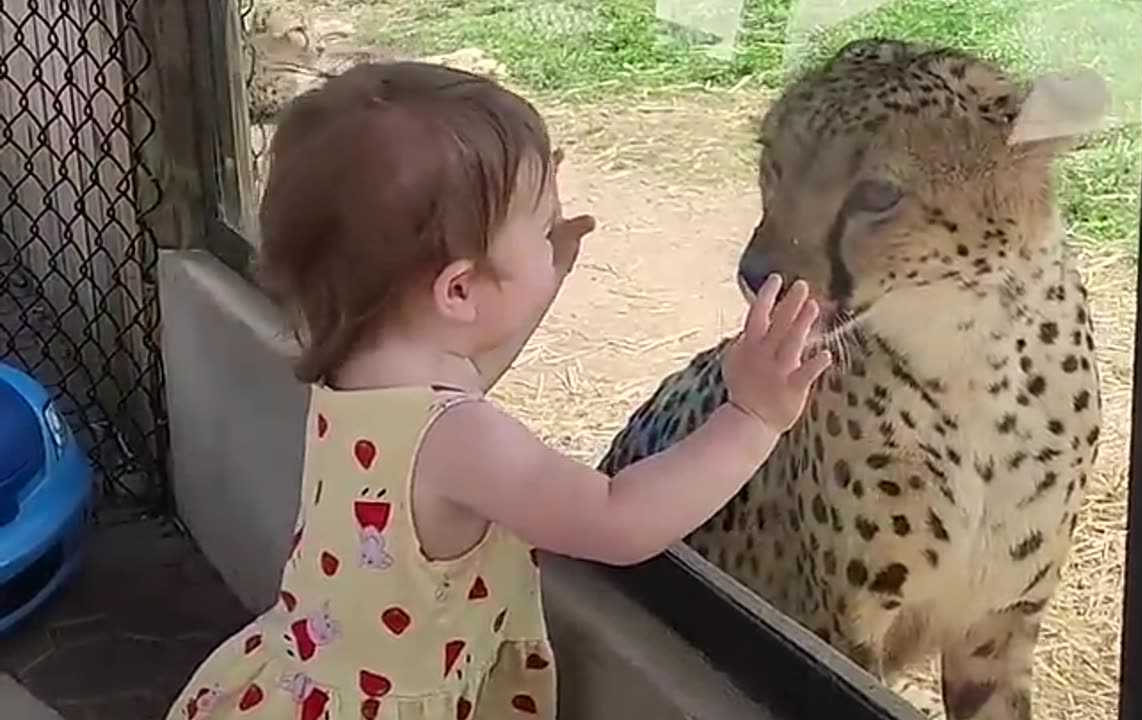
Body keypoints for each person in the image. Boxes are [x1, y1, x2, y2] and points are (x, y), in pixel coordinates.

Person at [166, 61, 831, 720]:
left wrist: (537, 283)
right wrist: (751, 417)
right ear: (458, 290)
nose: (557, 235)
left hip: (303, 680)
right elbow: (617, 519)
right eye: (543, 229)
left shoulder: (360, 368)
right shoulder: (459, 439)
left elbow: (465, 378)